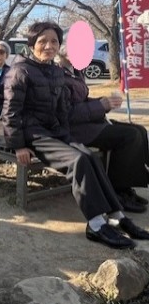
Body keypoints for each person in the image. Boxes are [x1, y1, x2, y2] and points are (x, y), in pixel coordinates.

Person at [2, 21, 149, 249]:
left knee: (90, 157)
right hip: (35, 135)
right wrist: (18, 145)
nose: (49, 46)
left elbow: (62, 109)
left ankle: (117, 216)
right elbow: (10, 112)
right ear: (31, 45)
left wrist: (70, 132)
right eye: (42, 42)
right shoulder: (20, 71)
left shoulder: (55, 71)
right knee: (78, 161)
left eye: (54, 41)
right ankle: (96, 225)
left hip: (56, 131)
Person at [56, 45, 149, 213]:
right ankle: (116, 192)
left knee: (140, 131)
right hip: (74, 129)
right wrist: (100, 106)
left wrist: (104, 102)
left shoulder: (75, 71)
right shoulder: (57, 75)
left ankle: (127, 187)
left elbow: (82, 100)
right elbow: (66, 113)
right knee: (129, 136)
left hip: (88, 123)